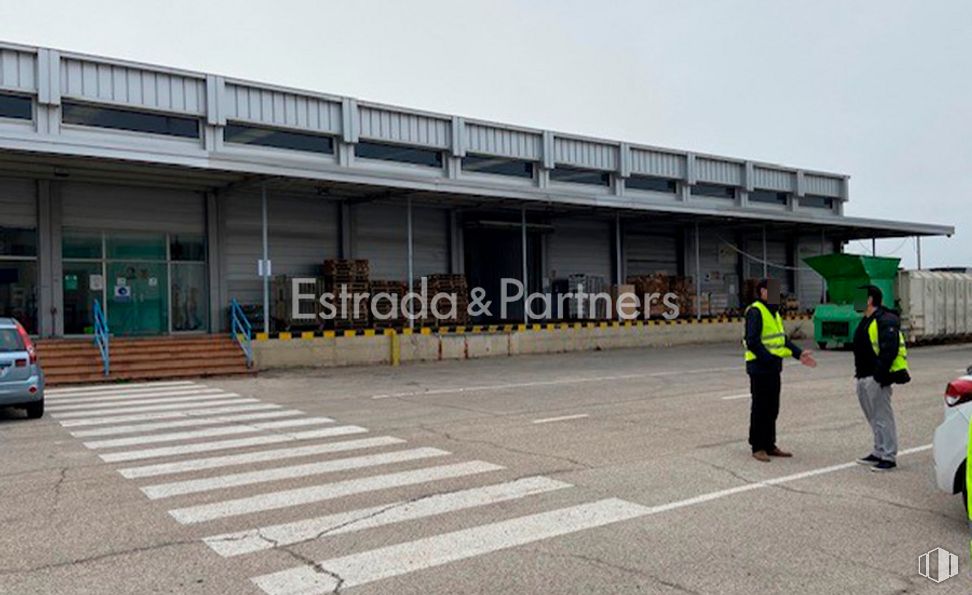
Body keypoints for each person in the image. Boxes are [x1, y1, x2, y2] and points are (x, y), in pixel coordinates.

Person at [744, 278, 817, 462]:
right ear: (762, 292)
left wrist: (798, 354)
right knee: (760, 407)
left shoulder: (774, 313)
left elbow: (782, 339)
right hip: (760, 367)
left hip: (773, 367)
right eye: (772, 291)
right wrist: (768, 359)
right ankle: (758, 446)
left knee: (772, 407)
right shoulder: (755, 311)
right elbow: (752, 341)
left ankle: (770, 444)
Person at [853, 285, 910, 472]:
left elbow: (889, 350)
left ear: (869, 300)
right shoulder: (865, 320)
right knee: (873, 417)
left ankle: (889, 456)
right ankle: (878, 451)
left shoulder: (885, 320)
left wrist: (879, 375)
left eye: (859, 297)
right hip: (863, 376)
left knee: (883, 417)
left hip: (876, 377)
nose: (855, 301)